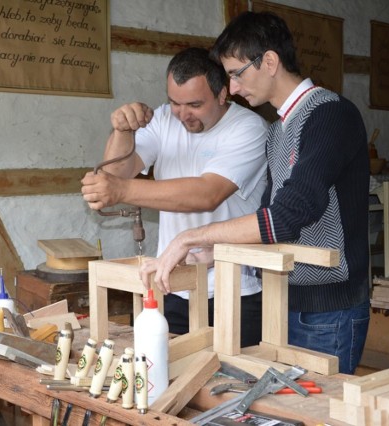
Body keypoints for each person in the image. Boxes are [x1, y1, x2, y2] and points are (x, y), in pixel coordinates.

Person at [139, 12, 370, 374]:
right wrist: (211, 253)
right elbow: (267, 217)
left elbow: (289, 216)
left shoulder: (331, 115)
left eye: (235, 73)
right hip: (281, 303)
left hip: (327, 310)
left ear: (270, 61)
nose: (231, 89)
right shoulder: (278, 130)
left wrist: (189, 238)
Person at [81, 47, 268, 347]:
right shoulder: (165, 118)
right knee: (165, 380)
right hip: (172, 287)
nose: (182, 114)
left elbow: (207, 193)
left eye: (194, 104)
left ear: (222, 95)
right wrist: (122, 131)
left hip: (233, 292)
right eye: (174, 102)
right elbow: (117, 172)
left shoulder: (249, 128)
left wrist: (123, 191)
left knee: (227, 388)